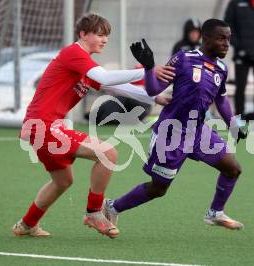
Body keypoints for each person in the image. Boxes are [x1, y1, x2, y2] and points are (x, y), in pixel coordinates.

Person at [12, 13, 175, 238]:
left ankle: (27, 224)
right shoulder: (74, 53)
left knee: (63, 181)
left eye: (106, 35)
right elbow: (107, 78)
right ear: (83, 34)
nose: (105, 39)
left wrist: (154, 98)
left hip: (43, 127)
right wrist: (146, 70)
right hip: (44, 126)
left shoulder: (85, 65)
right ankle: (94, 213)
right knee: (107, 153)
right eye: (99, 34)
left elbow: (116, 87)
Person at [102, 19, 247, 233]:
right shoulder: (184, 59)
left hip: (198, 132)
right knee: (159, 189)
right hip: (171, 134)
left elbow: (222, 99)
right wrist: (150, 68)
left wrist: (232, 124)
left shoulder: (221, 68)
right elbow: (153, 90)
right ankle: (112, 207)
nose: (227, 43)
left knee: (233, 169)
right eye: (221, 38)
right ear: (205, 39)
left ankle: (215, 213)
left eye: (228, 39)